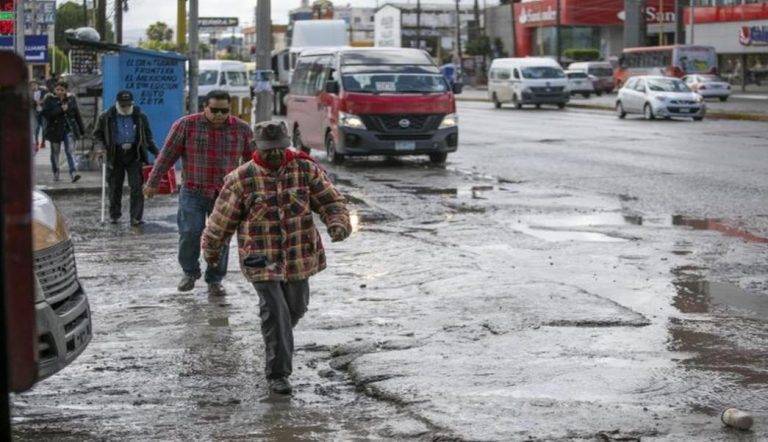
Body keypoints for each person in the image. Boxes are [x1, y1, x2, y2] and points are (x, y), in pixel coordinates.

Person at [201, 120, 351, 395]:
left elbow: (330, 201)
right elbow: (220, 222)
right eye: (268, 150)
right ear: (255, 147)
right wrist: (211, 252)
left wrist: (337, 223)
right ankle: (278, 374)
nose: (274, 155)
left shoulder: (305, 169)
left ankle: (277, 338)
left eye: (279, 149)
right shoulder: (241, 179)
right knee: (276, 312)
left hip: (298, 255)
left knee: (296, 307)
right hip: (260, 257)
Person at [144, 90, 253, 297]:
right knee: (189, 232)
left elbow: (251, 162)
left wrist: (254, 190)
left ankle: (215, 279)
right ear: (205, 107)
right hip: (193, 190)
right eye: (215, 110)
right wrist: (152, 182)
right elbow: (167, 155)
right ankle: (189, 272)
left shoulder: (241, 129)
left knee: (220, 238)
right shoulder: (186, 125)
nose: (219, 115)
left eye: (224, 111)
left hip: (225, 195)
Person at [93, 90, 160, 226]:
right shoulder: (106, 116)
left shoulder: (140, 116)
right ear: (117, 103)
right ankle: (114, 215)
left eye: (127, 105)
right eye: (122, 105)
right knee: (115, 187)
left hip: (134, 154)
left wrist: (158, 153)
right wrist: (100, 147)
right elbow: (97, 135)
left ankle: (136, 217)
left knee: (136, 187)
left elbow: (148, 137)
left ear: (132, 103)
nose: (125, 108)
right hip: (114, 154)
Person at [42, 81, 83, 183]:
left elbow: (76, 114)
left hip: (68, 129)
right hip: (54, 130)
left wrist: (81, 129)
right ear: (54, 90)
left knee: (70, 151)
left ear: (66, 91)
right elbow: (47, 115)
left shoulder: (71, 99)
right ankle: (56, 172)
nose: (59, 92)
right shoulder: (49, 99)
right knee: (55, 152)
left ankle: (73, 173)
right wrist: (61, 109)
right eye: (57, 90)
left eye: (62, 90)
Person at [29, 80, 47, 150]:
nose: (33, 86)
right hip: (35, 112)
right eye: (32, 85)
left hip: (43, 112)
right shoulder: (29, 94)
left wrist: (41, 102)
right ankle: (36, 142)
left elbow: (46, 99)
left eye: (34, 85)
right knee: (36, 128)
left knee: (44, 128)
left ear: (37, 85)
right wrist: (35, 103)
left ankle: (43, 142)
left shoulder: (43, 91)